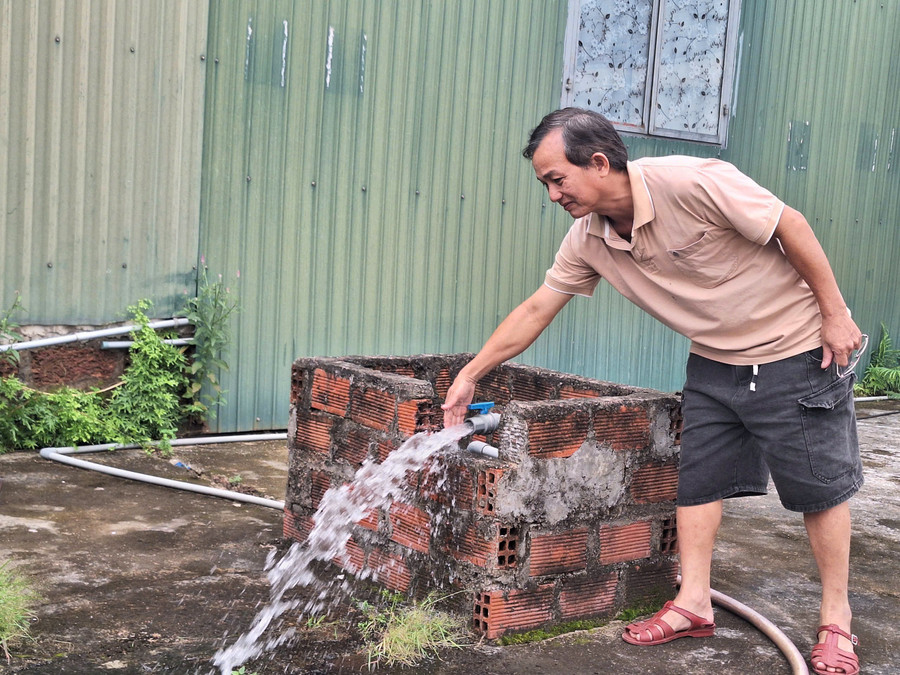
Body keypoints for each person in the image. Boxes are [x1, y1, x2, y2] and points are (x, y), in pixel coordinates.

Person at [441, 108, 863, 675]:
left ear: (598, 162)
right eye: (545, 184)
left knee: (820, 488)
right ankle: (693, 602)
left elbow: (792, 225)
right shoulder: (588, 237)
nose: (551, 195)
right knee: (697, 483)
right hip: (714, 363)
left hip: (797, 349)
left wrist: (835, 314)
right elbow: (539, 306)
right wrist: (471, 373)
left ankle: (837, 619)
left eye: (556, 179)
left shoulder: (691, 181)